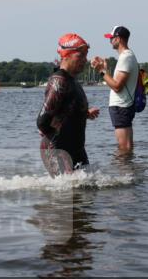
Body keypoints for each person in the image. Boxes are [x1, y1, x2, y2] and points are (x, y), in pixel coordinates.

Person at [37, 34, 99, 175]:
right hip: (58, 150)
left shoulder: (72, 81)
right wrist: (52, 134)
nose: (85, 60)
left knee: (86, 191)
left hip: (76, 149)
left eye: (86, 55)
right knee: (67, 194)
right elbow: (42, 121)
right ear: (66, 55)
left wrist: (85, 114)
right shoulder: (59, 81)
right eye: (80, 55)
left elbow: (65, 110)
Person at [91, 25, 137, 152]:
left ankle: (124, 170)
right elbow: (116, 82)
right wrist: (105, 70)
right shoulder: (126, 56)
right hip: (122, 106)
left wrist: (100, 71)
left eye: (111, 38)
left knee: (124, 147)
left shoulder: (126, 57)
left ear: (119, 39)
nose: (110, 41)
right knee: (125, 146)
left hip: (121, 107)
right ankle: (125, 169)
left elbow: (117, 86)